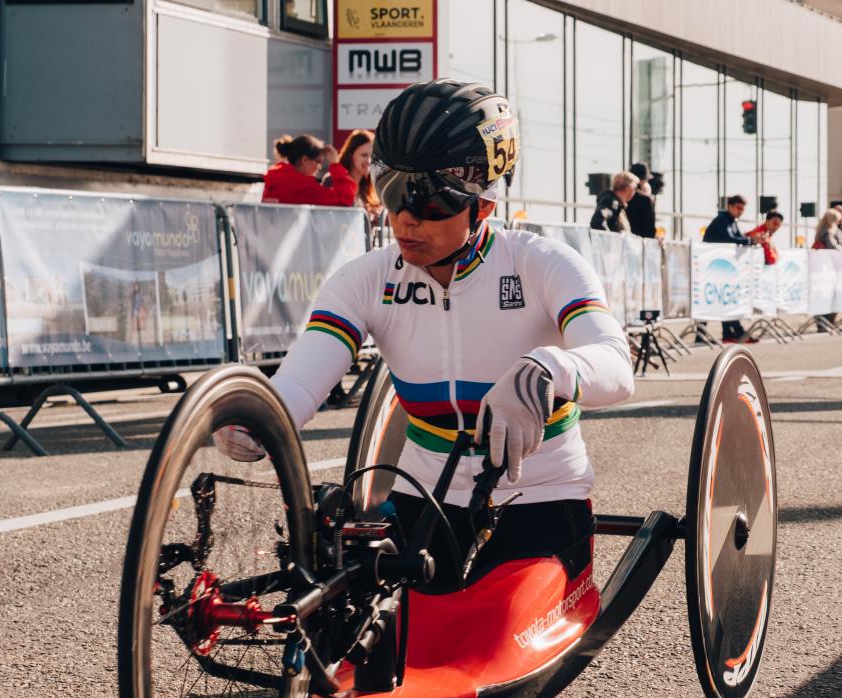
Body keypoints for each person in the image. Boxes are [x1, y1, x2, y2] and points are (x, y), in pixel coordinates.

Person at [217, 79, 633, 591]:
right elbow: (300, 384)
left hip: (541, 487)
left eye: (432, 202)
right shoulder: (364, 279)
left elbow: (617, 365)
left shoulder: (540, 264)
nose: (407, 219)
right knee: (357, 624)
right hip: (425, 491)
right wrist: (256, 418)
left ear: (484, 205)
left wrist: (550, 366)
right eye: (392, 193)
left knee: (487, 641)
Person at [704, 194, 766, 342]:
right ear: (730, 206)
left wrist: (751, 239)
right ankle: (731, 332)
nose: (740, 211)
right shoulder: (721, 220)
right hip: (713, 266)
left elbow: (739, 237)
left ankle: (731, 332)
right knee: (708, 300)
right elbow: (729, 239)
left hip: (723, 267)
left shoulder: (732, 221)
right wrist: (750, 240)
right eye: (738, 208)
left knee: (726, 299)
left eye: (743, 209)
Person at [262, 133, 358, 207]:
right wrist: (335, 164)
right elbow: (345, 199)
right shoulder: (302, 187)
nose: (319, 167)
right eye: (318, 161)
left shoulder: (276, 179)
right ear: (304, 160)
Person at [331, 129, 384, 221]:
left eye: (372, 156)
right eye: (364, 155)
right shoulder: (332, 179)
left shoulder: (370, 186)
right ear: (350, 156)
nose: (369, 161)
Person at [625, 162, 657, 239]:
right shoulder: (645, 200)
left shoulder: (621, 196)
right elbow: (650, 232)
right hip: (638, 244)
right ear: (643, 180)